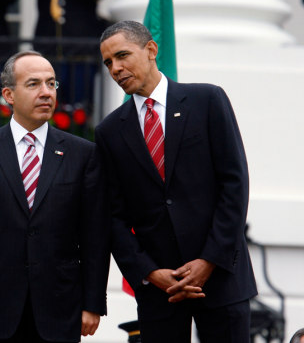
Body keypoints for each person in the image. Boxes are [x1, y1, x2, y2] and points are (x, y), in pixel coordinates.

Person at [95, 20, 257, 343]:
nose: (116, 68)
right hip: (160, 292)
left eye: (123, 55)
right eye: (108, 62)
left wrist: (209, 260)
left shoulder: (207, 100)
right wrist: (149, 272)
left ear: (151, 50)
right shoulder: (109, 132)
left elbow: (234, 184)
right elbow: (112, 216)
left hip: (222, 277)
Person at [0, 51, 109, 342]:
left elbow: (95, 235)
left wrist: (93, 303)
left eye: (51, 84)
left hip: (59, 308)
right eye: (33, 84)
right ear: (9, 94)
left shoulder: (82, 153)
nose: (46, 92)